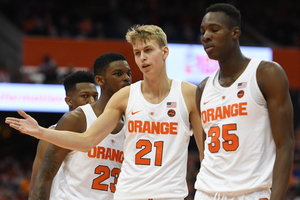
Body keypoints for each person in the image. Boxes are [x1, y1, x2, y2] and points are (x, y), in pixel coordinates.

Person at [6, 25, 203, 200]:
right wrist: (40, 131)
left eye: (148, 50)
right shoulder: (124, 97)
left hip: (170, 194)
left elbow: (206, 155)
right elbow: (87, 140)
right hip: (129, 194)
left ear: (165, 52)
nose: (142, 58)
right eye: (137, 52)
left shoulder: (188, 94)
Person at [194, 3, 294, 200]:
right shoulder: (203, 88)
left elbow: (286, 145)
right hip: (206, 192)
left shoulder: (266, 74)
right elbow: (205, 150)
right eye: (203, 31)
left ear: (235, 33)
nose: (205, 36)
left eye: (214, 30)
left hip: (251, 193)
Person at [31, 52, 131, 200]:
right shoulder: (75, 119)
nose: (126, 78)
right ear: (100, 80)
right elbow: (43, 178)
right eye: (118, 74)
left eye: (128, 73)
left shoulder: (131, 123)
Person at [28, 70, 98, 199]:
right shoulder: (52, 134)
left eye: (95, 96)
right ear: (69, 101)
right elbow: (35, 186)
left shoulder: (103, 132)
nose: (92, 101)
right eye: (85, 96)